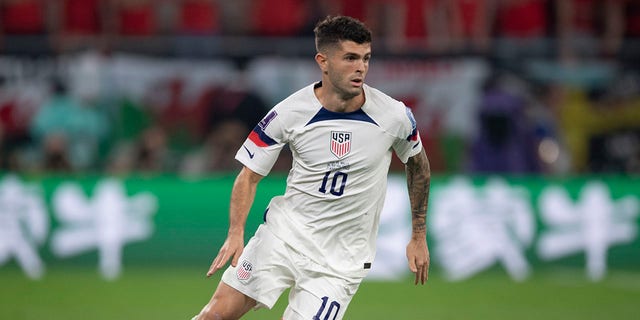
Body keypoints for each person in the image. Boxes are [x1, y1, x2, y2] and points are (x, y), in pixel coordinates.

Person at [192, 15, 431, 320]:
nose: (361, 67)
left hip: (340, 262)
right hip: (283, 237)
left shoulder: (394, 116)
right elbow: (249, 175)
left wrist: (418, 235)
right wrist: (235, 232)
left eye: (366, 58)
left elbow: (418, 165)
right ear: (324, 61)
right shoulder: (289, 112)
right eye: (350, 58)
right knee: (214, 316)